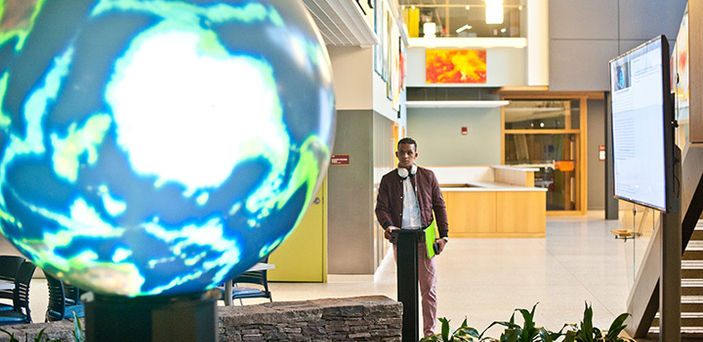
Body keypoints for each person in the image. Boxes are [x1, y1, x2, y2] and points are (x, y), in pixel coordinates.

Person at [375, 137, 449, 337]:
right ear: (396, 154)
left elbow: (439, 206)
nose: (405, 156)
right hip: (403, 242)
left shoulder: (428, 176)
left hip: (424, 240)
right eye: (402, 152)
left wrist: (444, 236)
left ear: (416, 155)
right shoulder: (388, 180)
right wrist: (388, 225)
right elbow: (381, 208)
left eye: (410, 152)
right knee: (407, 290)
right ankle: (407, 332)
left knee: (429, 290)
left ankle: (429, 334)